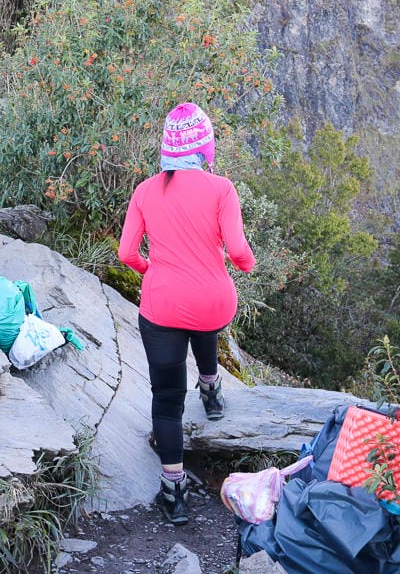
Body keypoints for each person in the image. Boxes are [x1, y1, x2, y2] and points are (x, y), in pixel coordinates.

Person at [117, 102, 257, 526]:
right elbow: (237, 252)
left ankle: (174, 492)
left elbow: (126, 253)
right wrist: (247, 263)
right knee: (204, 322)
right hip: (214, 302)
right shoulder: (222, 189)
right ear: (204, 147)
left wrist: (151, 270)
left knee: (166, 400)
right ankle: (212, 391)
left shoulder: (145, 191)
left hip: (162, 305)